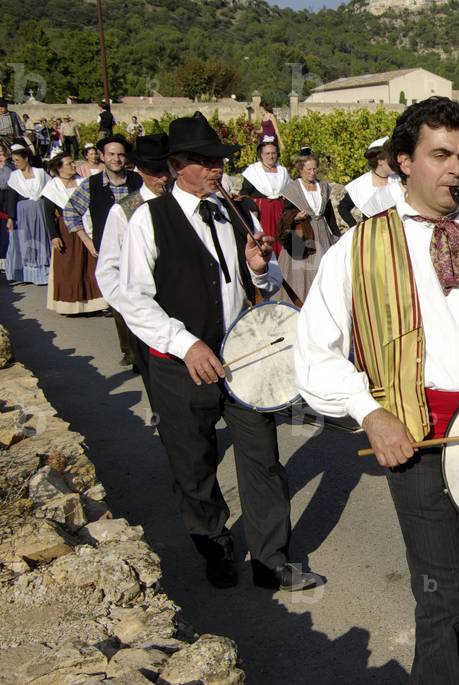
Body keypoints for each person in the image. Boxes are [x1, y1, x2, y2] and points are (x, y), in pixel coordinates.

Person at [294, 96, 459, 683]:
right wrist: (369, 413)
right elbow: (313, 353)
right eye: (440, 155)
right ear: (404, 162)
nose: (456, 170)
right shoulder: (358, 247)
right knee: (443, 593)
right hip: (415, 440)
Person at [118, 112, 320, 592]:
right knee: (194, 465)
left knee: (263, 460)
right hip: (180, 369)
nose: (216, 169)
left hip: (242, 362)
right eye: (205, 161)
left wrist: (258, 268)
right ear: (176, 166)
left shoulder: (236, 211)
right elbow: (133, 299)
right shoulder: (148, 219)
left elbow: (264, 285)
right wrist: (184, 343)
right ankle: (214, 545)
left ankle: (272, 561)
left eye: (219, 161)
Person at [96, 132, 172, 383]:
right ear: (141, 170)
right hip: (146, 317)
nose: (163, 177)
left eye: (167, 169)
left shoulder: (179, 203)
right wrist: (133, 309)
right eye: (155, 171)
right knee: (158, 384)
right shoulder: (123, 211)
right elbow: (108, 270)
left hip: (182, 313)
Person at [63, 134, 143, 364]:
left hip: (139, 248)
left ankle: (143, 349)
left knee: (143, 299)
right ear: (102, 156)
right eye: (111, 154)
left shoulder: (138, 181)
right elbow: (70, 212)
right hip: (110, 253)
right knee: (118, 301)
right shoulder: (92, 185)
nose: (116, 159)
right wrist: (87, 241)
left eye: (120, 154)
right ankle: (129, 351)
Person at [41, 153, 105, 314]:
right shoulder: (53, 187)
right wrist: (54, 236)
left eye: (73, 163)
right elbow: (48, 214)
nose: (74, 166)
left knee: (89, 265)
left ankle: (94, 304)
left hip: (87, 227)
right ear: (59, 168)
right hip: (66, 231)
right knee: (69, 266)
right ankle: (69, 304)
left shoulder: (82, 182)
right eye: (69, 164)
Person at [274, 152, 341, 303]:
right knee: (301, 274)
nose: (312, 173)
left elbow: (330, 216)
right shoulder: (292, 190)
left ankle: (324, 304)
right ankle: (302, 303)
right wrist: (295, 217)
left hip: (323, 236)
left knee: (324, 271)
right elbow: (285, 215)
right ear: (300, 169)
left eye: (315, 169)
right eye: (308, 169)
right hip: (302, 236)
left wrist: (337, 237)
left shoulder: (323, 187)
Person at [4, 143, 50, 284]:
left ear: (26, 158)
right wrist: (10, 217)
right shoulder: (15, 176)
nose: (15, 163)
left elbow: (50, 190)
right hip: (23, 212)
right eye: (13, 161)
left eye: (17, 160)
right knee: (26, 241)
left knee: (42, 239)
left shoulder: (40, 173)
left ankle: (44, 273)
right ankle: (28, 274)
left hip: (40, 211)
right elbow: (11, 198)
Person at [240, 137, 289, 255]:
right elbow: (245, 193)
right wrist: (252, 209)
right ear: (261, 155)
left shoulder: (282, 170)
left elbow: (289, 191)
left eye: (273, 153)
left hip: (280, 211)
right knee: (265, 240)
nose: (271, 156)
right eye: (267, 153)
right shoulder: (253, 171)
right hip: (261, 211)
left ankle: (282, 262)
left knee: (282, 240)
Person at [338, 136, 396, 227]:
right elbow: (343, 207)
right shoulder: (361, 185)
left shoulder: (399, 178)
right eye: (391, 158)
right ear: (380, 161)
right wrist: (356, 227)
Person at [0, 145, 13, 273]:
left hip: (6, 201)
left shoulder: (11, 169)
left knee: (5, 233)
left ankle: (5, 261)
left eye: (1, 153)